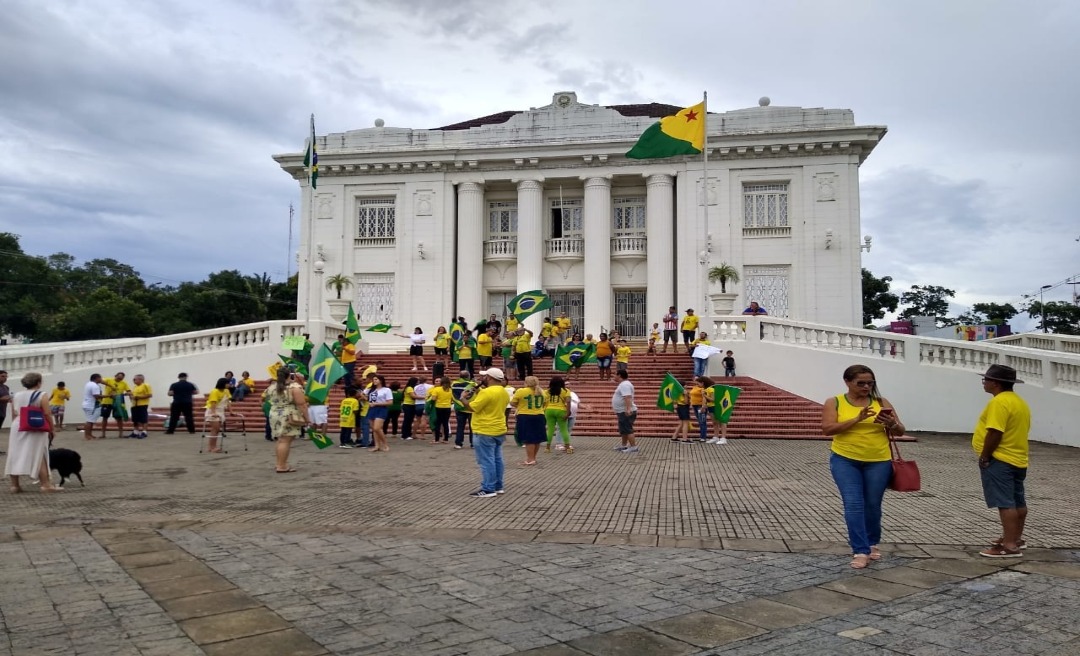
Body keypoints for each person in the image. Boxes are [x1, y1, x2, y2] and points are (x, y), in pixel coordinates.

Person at [821, 364, 905, 569]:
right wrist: (856, 419)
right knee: (854, 504)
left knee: (872, 506)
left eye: (870, 383)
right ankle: (860, 549)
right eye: (861, 383)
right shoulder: (835, 402)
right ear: (847, 382)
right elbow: (828, 429)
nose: (866, 387)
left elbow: (901, 430)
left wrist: (891, 423)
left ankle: (872, 542)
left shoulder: (881, 402)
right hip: (845, 459)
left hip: (878, 460)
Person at [972, 364, 1032, 558]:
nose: (984, 383)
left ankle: (1009, 546)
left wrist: (985, 455)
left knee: (1005, 503)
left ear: (995, 383)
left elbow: (995, 432)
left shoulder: (999, 403)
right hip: (1018, 458)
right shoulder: (1019, 402)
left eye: (986, 380)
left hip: (1001, 458)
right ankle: (1015, 538)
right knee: (1017, 501)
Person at [5, 372, 61, 493]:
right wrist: (52, 428)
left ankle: (15, 485)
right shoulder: (42, 395)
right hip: (35, 425)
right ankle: (45, 485)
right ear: (38, 383)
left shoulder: (16, 395)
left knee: (15, 453)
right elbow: (47, 413)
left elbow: (14, 413)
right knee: (39, 453)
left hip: (18, 424)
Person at [463, 368, 511, 497]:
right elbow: (491, 402)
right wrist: (479, 392)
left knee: (486, 460)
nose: (482, 379)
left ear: (490, 378)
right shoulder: (503, 391)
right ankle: (498, 486)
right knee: (497, 459)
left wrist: (463, 399)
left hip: (484, 428)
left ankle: (488, 488)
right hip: (498, 428)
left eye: (485, 376)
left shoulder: (487, 392)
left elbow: (473, 407)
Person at [266, 369, 309, 472]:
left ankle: (280, 463)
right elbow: (302, 404)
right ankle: (282, 466)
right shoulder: (294, 387)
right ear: (290, 375)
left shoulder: (272, 387)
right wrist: (307, 418)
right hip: (288, 414)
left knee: (281, 440)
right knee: (286, 440)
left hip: (275, 413)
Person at [512, 376, 545, 463]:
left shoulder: (521, 391)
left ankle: (530, 459)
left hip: (525, 416)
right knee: (537, 439)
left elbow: (513, 402)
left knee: (528, 439)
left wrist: (520, 406)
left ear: (526, 383)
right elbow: (545, 404)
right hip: (540, 415)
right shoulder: (542, 392)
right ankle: (533, 457)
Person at [612, 370, 639, 453]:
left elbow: (627, 397)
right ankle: (624, 445)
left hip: (625, 411)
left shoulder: (625, 385)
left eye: (615, 375)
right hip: (621, 411)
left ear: (619, 375)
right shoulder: (623, 385)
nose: (614, 377)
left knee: (627, 429)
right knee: (623, 429)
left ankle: (633, 446)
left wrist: (628, 408)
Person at [544, 376, 573, 454]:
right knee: (564, 429)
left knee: (550, 429)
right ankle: (568, 448)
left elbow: (544, 402)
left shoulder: (547, 391)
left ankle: (547, 447)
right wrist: (568, 412)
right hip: (561, 410)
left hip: (549, 410)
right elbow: (568, 402)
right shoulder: (566, 391)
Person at [367, 375, 394, 452]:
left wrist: (377, 404)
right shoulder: (372, 390)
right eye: (374, 379)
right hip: (372, 409)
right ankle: (377, 445)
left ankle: (385, 444)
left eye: (376, 379)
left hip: (381, 409)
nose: (374, 381)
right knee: (374, 429)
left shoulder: (386, 390)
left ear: (381, 380)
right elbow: (367, 398)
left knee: (377, 428)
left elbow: (390, 402)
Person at [99, 372, 130, 439]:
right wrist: (110, 386)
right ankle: (103, 434)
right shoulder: (109, 380)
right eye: (118, 378)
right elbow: (100, 381)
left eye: (121, 379)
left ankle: (121, 434)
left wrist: (125, 394)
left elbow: (129, 391)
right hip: (107, 402)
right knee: (105, 418)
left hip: (118, 402)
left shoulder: (124, 383)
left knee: (119, 418)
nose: (119, 380)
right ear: (115, 376)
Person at [204, 378, 230, 453]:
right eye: (227, 383)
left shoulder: (226, 391)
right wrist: (213, 413)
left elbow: (228, 401)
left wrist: (231, 411)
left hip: (220, 411)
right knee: (215, 429)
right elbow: (213, 403)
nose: (229, 385)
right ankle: (212, 447)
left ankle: (212, 446)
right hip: (213, 411)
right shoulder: (215, 391)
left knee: (216, 430)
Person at [452, 371, 476, 449]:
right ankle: (473, 443)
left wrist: (460, 403)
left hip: (459, 408)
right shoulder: (473, 384)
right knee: (472, 427)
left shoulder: (453, 384)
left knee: (460, 426)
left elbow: (453, 395)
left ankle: (458, 443)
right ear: (468, 376)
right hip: (470, 408)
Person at [428, 376, 454, 444]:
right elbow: (452, 399)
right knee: (445, 423)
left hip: (439, 407)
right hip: (447, 407)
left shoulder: (437, 389)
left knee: (438, 423)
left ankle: (437, 439)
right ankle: (446, 439)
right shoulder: (450, 389)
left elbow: (433, 399)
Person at [128, 374, 152, 439]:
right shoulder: (135, 387)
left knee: (143, 418)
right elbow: (133, 395)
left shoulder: (145, 385)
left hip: (142, 404)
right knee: (135, 419)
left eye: (135, 379)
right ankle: (136, 432)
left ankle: (144, 432)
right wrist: (130, 396)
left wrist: (137, 397)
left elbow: (149, 395)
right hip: (134, 405)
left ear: (140, 379)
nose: (133, 380)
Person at [82, 373, 103, 440]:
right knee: (89, 421)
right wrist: (108, 396)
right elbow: (96, 396)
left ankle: (89, 434)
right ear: (96, 378)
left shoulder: (88, 384)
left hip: (87, 404)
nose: (101, 379)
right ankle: (87, 435)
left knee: (90, 420)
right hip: (91, 405)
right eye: (100, 378)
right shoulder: (95, 386)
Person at [690, 377, 710, 443]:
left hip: (700, 406)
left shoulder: (703, 389)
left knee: (702, 421)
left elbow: (704, 398)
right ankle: (701, 436)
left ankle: (703, 437)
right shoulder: (695, 387)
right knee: (700, 421)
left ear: (702, 383)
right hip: (694, 406)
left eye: (698, 382)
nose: (696, 383)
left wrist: (703, 407)